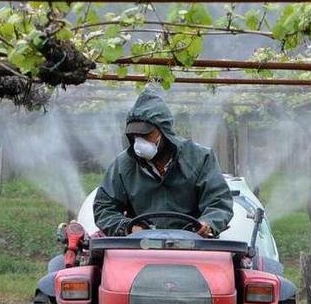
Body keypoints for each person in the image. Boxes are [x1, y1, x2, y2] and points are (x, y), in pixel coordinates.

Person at [94, 88, 234, 237]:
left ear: (164, 131)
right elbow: (104, 207)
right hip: (139, 247)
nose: (140, 141)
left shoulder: (200, 158)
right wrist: (128, 227)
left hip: (195, 245)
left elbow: (219, 202)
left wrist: (208, 223)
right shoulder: (123, 165)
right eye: (135, 135)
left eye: (146, 134)